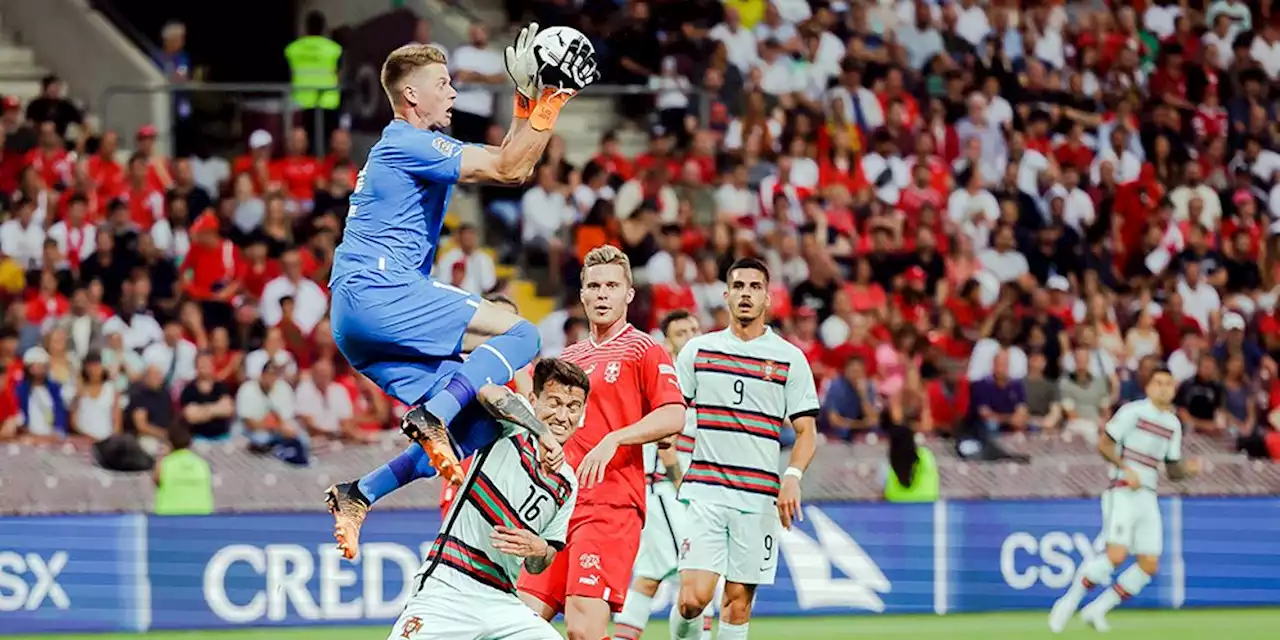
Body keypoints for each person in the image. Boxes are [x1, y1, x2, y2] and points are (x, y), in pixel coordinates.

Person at [327, 25, 598, 485]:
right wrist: (555, 99)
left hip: (356, 320)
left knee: (479, 422)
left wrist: (527, 101)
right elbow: (510, 168)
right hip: (382, 289)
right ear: (412, 94)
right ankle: (432, 416)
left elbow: (515, 162)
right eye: (443, 84)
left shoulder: (409, 147)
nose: (454, 92)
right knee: (523, 336)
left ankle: (359, 493)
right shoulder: (408, 142)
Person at [517, 245, 687, 640]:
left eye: (612, 285)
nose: (602, 294)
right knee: (520, 625)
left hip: (610, 505)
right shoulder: (570, 359)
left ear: (629, 293)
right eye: (594, 285)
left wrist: (616, 438)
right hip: (558, 504)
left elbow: (673, 415)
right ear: (582, 295)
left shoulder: (643, 349)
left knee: (582, 629)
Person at [375, 359, 589, 640]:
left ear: (583, 414)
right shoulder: (517, 424)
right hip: (449, 587)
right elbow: (487, 391)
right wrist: (541, 431)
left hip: (503, 601)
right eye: (554, 403)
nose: (563, 415)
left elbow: (541, 560)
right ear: (534, 400)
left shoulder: (567, 484)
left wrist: (538, 549)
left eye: (573, 408)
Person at [669, 257, 820, 640]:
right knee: (692, 599)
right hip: (705, 490)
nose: (746, 294)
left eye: (755, 287)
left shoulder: (789, 358)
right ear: (726, 296)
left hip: (758, 499)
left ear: (768, 298)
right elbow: (672, 413)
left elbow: (806, 431)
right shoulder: (698, 352)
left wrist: (793, 476)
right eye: (739, 286)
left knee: (737, 603)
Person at [1048, 365, 1197, 632]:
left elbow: (1173, 469)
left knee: (1149, 564)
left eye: (1168, 383)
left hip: (1148, 495)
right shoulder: (1133, 412)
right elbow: (1104, 444)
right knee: (1116, 554)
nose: (1164, 388)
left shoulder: (1173, 424)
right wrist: (1125, 468)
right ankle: (1068, 602)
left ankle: (1098, 609)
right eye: (1159, 382)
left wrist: (1188, 470)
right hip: (1123, 490)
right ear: (1149, 387)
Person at [613, 310, 713, 640]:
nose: (691, 336)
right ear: (668, 341)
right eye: (682, 332)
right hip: (666, 491)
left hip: (669, 492)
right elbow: (665, 443)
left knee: (649, 578)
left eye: (694, 329)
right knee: (697, 578)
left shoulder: (701, 381)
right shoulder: (666, 379)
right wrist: (684, 489)